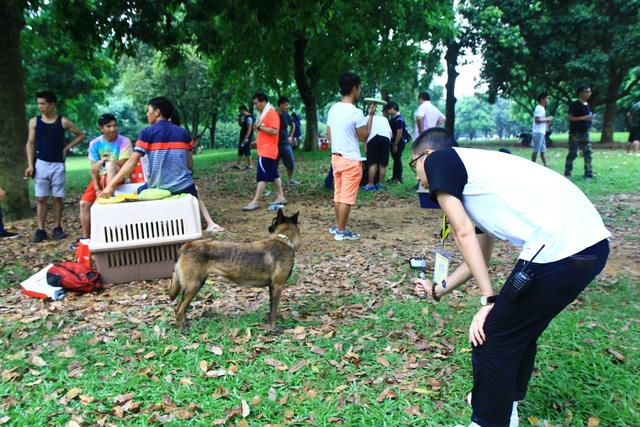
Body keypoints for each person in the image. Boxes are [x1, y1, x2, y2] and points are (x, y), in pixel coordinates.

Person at [410, 128, 610, 427]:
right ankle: (507, 408)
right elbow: (476, 258)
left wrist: (490, 300)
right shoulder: (474, 180)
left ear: (426, 155)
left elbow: (461, 231)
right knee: (517, 330)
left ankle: (489, 421)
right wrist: (439, 289)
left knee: (491, 335)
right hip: (590, 246)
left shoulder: (441, 160)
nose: (417, 178)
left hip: (560, 246)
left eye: (413, 165)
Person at [24, 91, 85, 243]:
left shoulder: (63, 122)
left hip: (58, 164)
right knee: (41, 198)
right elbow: (30, 143)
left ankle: (58, 228)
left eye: (43, 103)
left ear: (52, 104)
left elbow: (80, 134)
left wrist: (66, 148)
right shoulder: (34, 122)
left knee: (58, 198)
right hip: (41, 163)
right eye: (38, 103)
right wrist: (31, 164)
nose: (40, 106)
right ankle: (40, 229)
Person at [326, 72, 375, 241]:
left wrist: (337, 147)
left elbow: (329, 132)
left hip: (336, 157)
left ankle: (337, 226)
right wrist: (371, 116)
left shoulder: (333, 109)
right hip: (351, 159)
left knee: (338, 194)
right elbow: (364, 135)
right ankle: (341, 230)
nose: (359, 91)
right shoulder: (356, 112)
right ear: (354, 88)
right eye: (359, 87)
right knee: (346, 197)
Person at [79, 114, 133, 239]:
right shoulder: (95, 143)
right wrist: (97, 189)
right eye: (108, 126)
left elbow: (125, 163)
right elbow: (93, 169)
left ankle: (108, 199)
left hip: (118, 177)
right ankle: (86, 238)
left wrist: (109, 163)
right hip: (100, 177)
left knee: (110, 166)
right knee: (84, 204)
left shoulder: (124, 141)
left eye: (114, 126)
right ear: (101, 128)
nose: (112, 129)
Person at [242, 93, 286, 211]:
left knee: (261, 177)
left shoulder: (271, 113)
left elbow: (274, 131)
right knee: (273, 174)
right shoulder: (264, 113)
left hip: (267, 151)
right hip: (266, 149)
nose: (255, 106)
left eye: (256, 103)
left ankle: (255, 201)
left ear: (263, 102)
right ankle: (281, 197)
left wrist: (259, 127)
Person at [564, 85, 595, 178]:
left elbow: (587, 117)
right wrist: (584, 118)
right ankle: (568, 171)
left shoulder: (588, 105)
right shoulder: (575, 104)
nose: (588, 94)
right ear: (580, 93)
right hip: (575, 133)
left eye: (589, 92)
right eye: (586, 92)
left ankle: (588, 172)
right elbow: (569, 117)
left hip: (585, 132)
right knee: (573, 153)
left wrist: (590, 119)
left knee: (588, 152)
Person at [363, 109, 392, 190]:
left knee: (372, 163)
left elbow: (365, 133)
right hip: (386, 138)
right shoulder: (384, 119)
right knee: (383, 164)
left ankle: (370, 184)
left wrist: (365, 146)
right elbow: (390, 133)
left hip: (373, 138)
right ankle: (380, 184)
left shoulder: (367, 117)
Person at [276, 96, 300, 185]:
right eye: (286, 105)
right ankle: (274, 182)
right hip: (274, 145)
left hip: (285, 144)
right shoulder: (274, 114)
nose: (287, 107)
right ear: (281, 104)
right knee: (274, 166)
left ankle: (290, 180)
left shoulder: (286, 115)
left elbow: (293, 125)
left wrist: (290, 136)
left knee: (291, 163)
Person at [385, 101, 410, 183]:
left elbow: (399, 132)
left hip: (399, 142)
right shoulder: (393, 118)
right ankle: (394, 177)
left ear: (392, 108)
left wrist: (395, 144)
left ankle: (399, 178)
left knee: (397, 159)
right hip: (394, 142)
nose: (387, 112)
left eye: (388, 109)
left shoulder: (399, 119)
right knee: (395, 159)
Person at [531, 92, 554, 166]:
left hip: (542, 132)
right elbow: (537, 120)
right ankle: (532, 165)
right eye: (547, 98)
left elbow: (545, 124)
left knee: (543, 150)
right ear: (542, 99)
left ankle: (545, 165)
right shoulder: (539, 108)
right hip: (538, 132)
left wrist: (549, 121)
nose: (548, 100)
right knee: (536, 150)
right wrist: (547, 118)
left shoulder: (543, 109)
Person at [232, 105, 253, 170]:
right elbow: (241, 125)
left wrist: (245, 138)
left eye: (240, 111)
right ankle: (237, 165)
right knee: (241, 150)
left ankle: (250, 165)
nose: (240, 112)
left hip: (246, 138)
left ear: (243, 110)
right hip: (243, 137)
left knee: (247, 150)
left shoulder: (249, 118)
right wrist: (239, 120)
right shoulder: (245, 118)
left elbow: (249, 129)